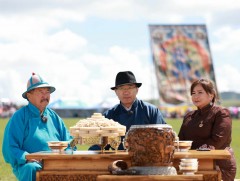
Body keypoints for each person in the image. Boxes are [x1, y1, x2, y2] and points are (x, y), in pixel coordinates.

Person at [2, 73, 72, 181]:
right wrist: (27, 158)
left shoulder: (54, 117)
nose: (45, 96)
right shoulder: (19, 117)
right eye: (41, 92)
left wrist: (66, 153)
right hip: (30, 165)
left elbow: (69, 141)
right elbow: (9, 148)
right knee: (32, 167)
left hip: (56, 163)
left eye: (47, 92)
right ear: (29, 96)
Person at [89, 71, 166, 150]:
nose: (126, 92)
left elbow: (163, 139)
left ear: (137, 89)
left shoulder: (151, 112)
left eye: (130, 87)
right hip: (118, 161)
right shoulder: (109, 116)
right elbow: (98, 146)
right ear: (116, 92)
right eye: (121, 88)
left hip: (146, 160)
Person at [178, 78, 236, 181]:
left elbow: (217, 140)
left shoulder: (221, 113)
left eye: (200, 92)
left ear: (211, 95)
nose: (195, 96)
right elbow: (181, 141)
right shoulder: (189, 116)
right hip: (190, 165)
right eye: (193, 93)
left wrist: (193, 154)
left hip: (217, 166)